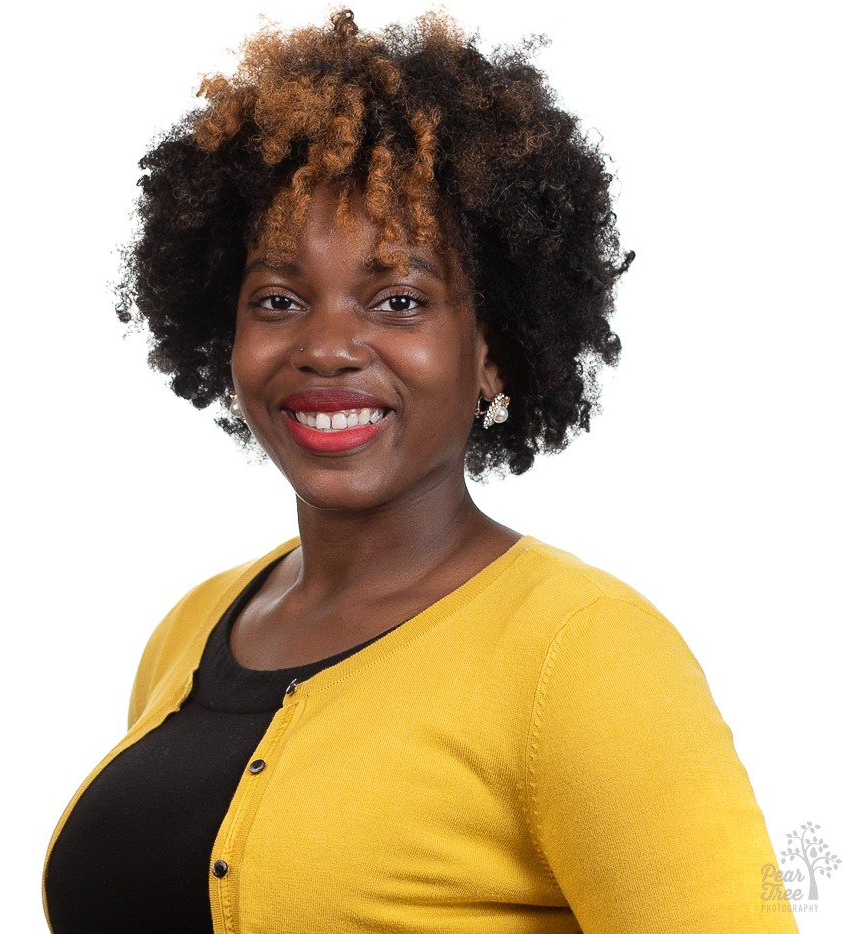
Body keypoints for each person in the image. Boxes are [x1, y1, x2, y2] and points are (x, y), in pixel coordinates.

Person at [42, 10, 795, 933]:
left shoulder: (585, 653)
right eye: (278, 299)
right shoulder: (191, 630)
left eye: (399, 299)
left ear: (494, 350)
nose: (326, 347)